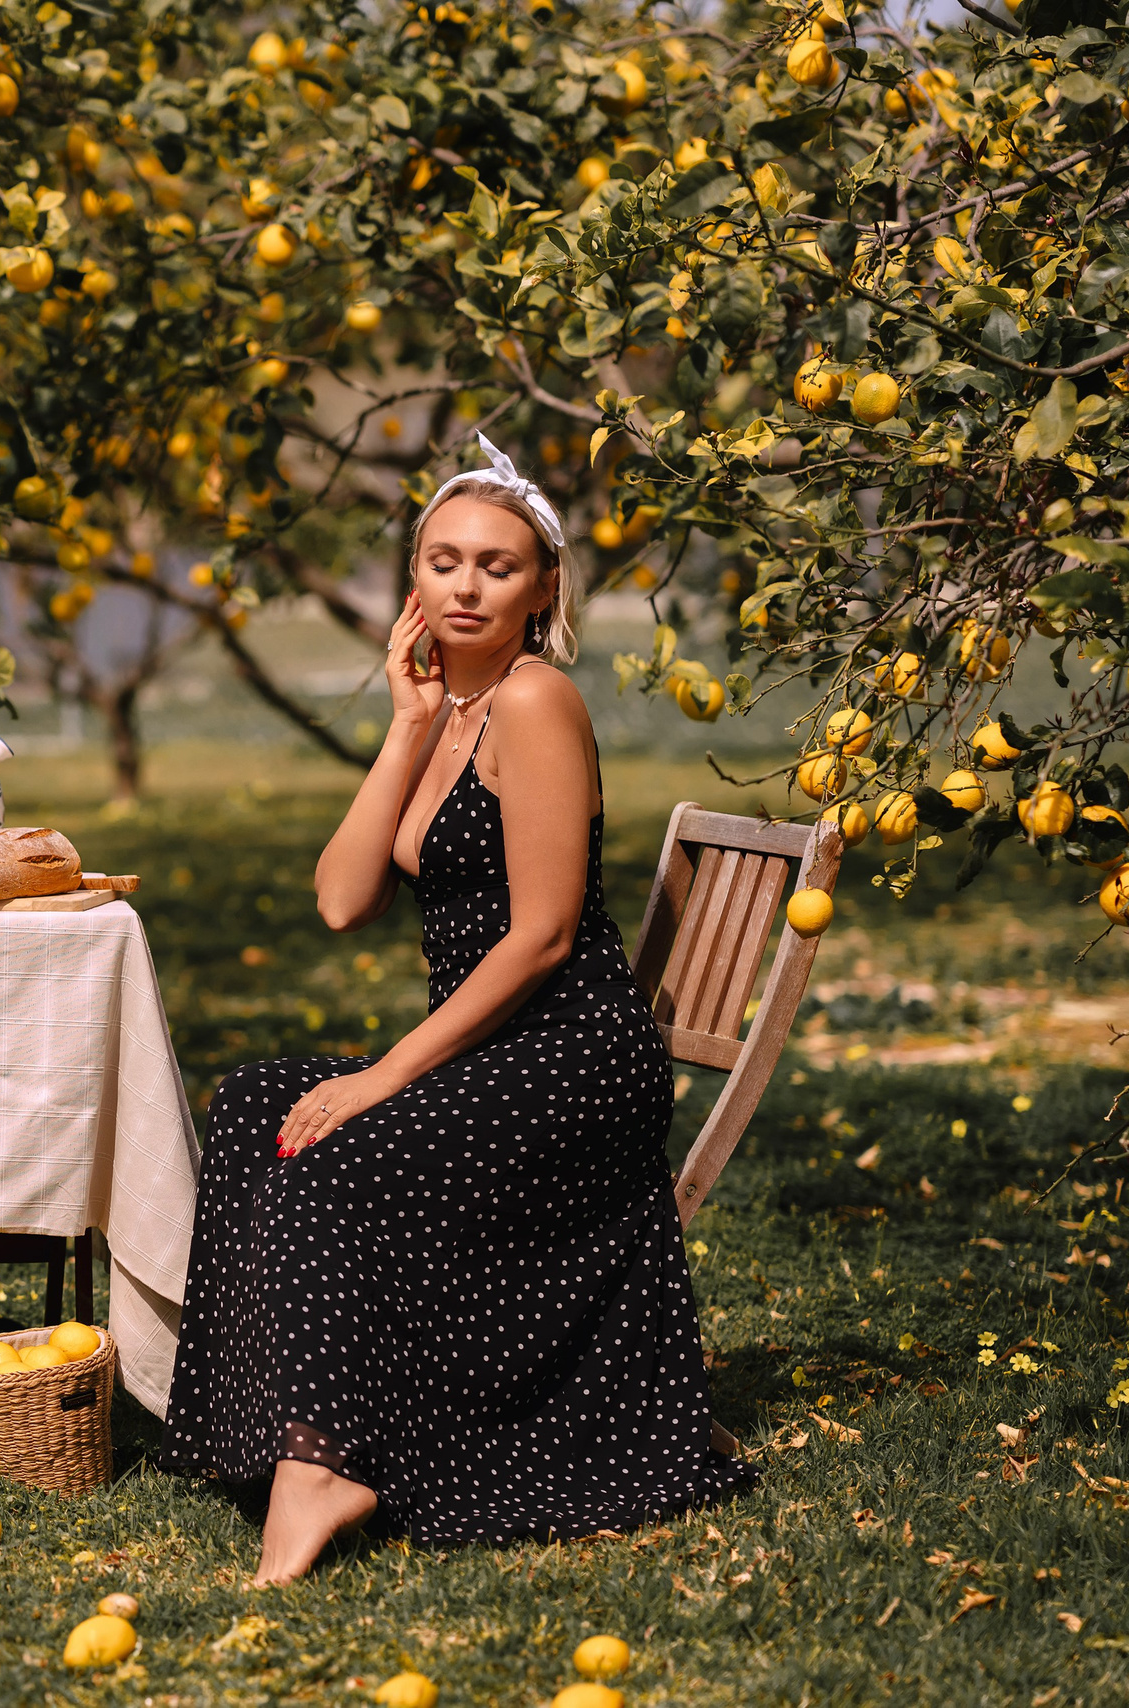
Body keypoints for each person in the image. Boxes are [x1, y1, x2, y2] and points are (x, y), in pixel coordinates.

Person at [157, 436, 753, 1584]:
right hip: (485, 1048)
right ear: (411, 584)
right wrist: (404, 722)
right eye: (442, 561)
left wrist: (383, 1076)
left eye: (496, 565)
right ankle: (268, 1438)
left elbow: (537, 940)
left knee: (336, 1143)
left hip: (571, 1060)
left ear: (543, 591)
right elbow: (340, 901)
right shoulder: (448, 712)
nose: (466, 586)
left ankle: (329, 1461)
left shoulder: (534, 701)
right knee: (252, 1108)